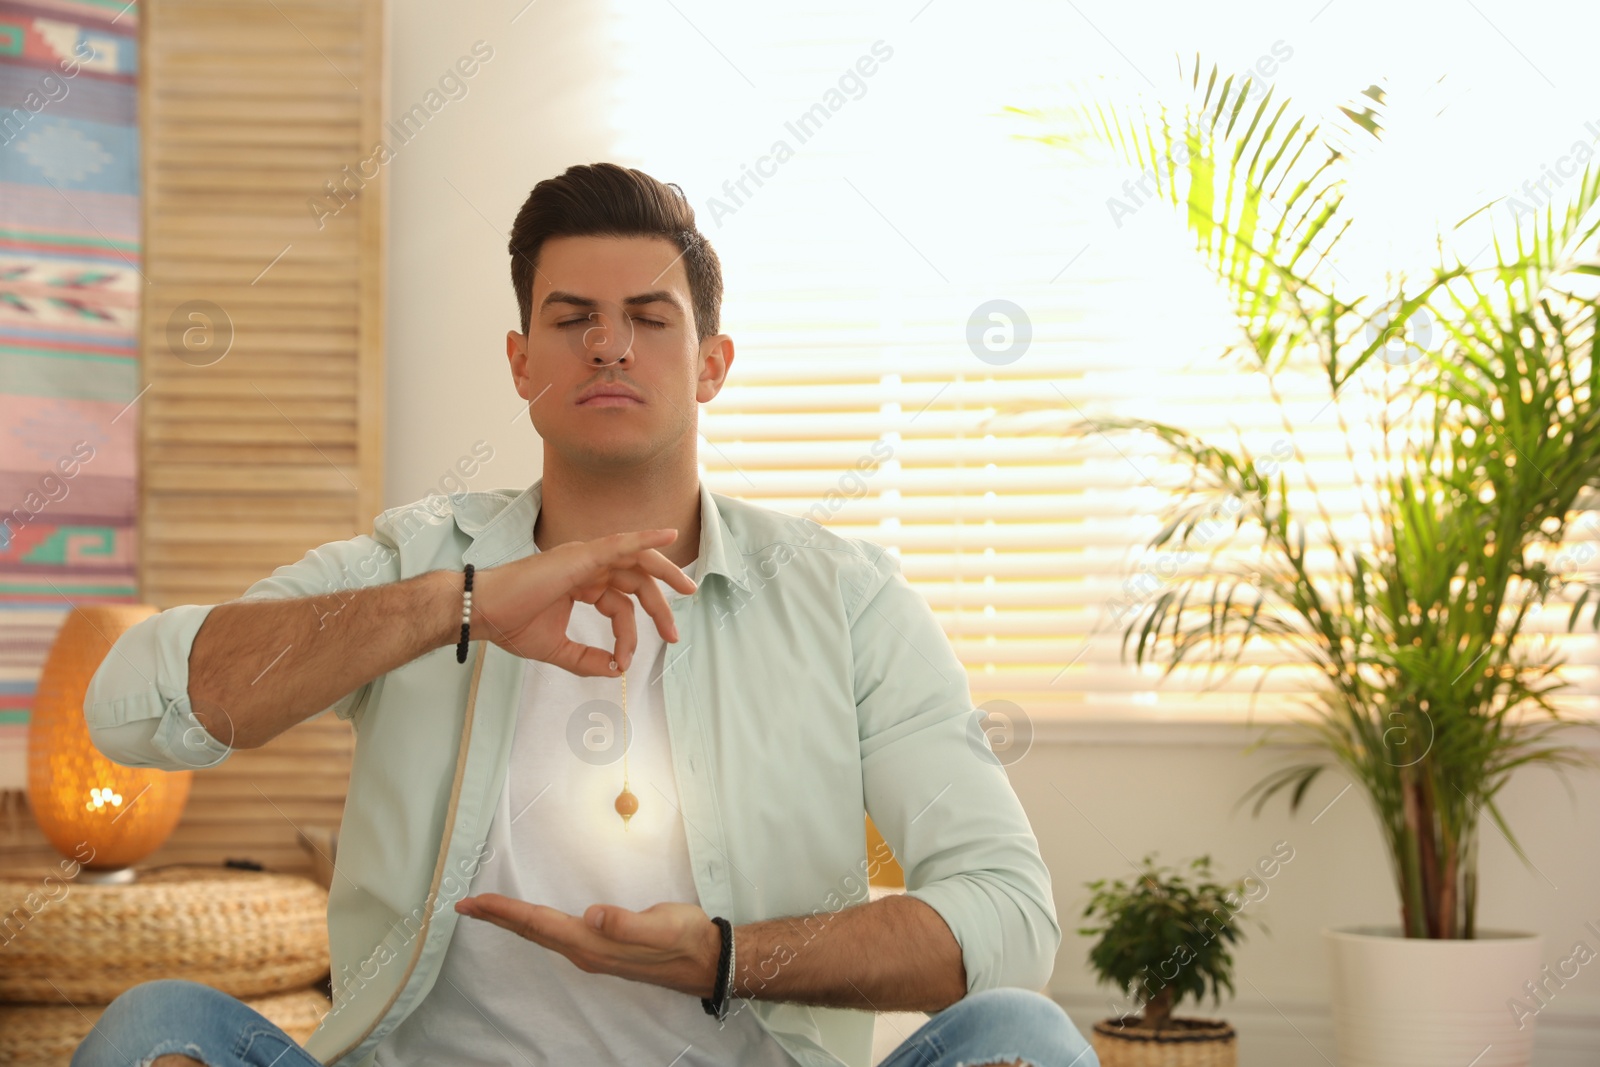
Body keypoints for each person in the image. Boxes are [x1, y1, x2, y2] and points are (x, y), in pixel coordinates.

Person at [75, 162, 1097, 1067]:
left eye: (650, 319)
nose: (609, 346)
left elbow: (1007, 919)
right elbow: (129, 708)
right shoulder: (417, 559)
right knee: (155, 1023)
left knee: (1028, 1036)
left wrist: (725, 953)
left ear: (712, 363)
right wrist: (461, 603)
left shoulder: (847, 598)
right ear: (522, 362)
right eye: (572, 320)